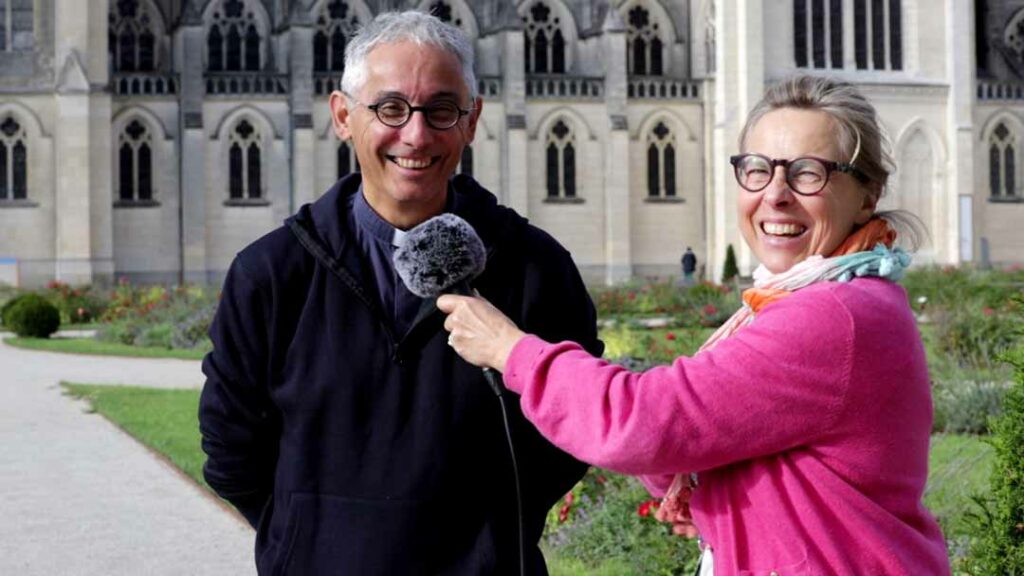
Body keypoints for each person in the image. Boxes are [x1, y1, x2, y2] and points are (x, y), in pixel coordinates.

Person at [438, 75, 951, 575]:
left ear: (867, 195)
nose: (775, 194)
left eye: (808, 172)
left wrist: (512, 350)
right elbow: (693, 434)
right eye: (758, 169)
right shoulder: (814, 296)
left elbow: (643, 422)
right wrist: (701, 485)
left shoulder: (833, 315)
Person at [198, 11, 601, 575]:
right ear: (342, 116)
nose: (416, 135)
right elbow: (230, 445)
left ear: (471, 120)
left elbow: (572, 424)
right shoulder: (271, 274)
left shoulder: (536, 269)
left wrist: (486, 536)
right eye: (390, 108)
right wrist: (309, 537)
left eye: (441, 110)